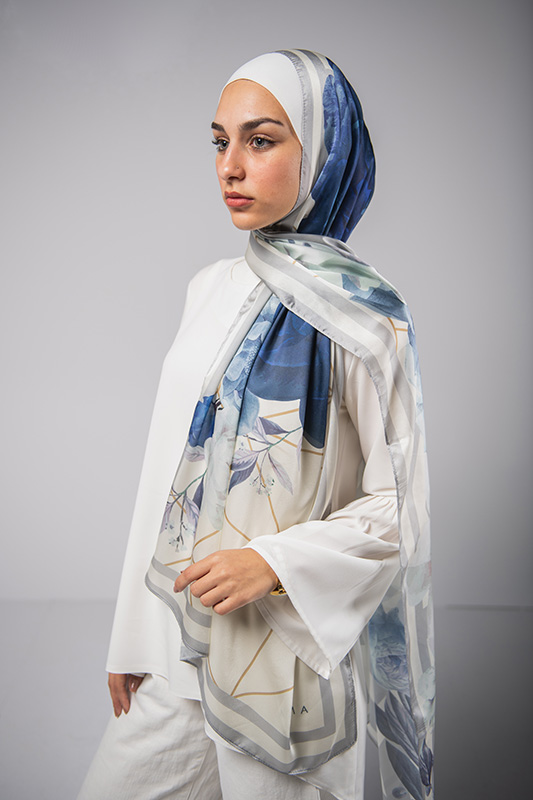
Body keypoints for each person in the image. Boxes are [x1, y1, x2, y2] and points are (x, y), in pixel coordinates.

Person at [78, 49, 434, 800]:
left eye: (261, 140)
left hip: (287, 661)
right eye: (219, 142)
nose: (229, 167)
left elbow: (400, 508)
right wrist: (131, 636)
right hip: (180, 639)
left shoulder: (368, 319)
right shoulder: (208, 287)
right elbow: (164, 475)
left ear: (325, 154)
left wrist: (272, 561)